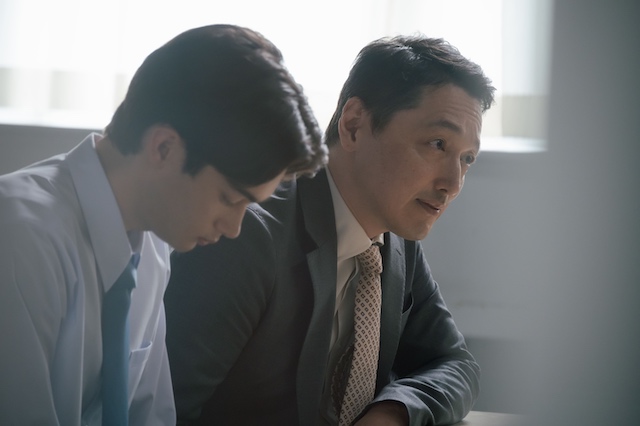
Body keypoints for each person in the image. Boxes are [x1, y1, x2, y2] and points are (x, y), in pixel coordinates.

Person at [0, 24, 326, 425]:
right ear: (164, 147)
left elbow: (151, 415)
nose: (234, 228)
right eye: (230, 198)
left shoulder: (153, 246)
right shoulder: (18, 238)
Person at [164, 34, 495, 425]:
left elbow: (455, 364)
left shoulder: (396, 240)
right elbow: (168, 412)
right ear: (354, 125)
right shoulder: (245, 236)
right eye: (437, 143)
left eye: (467, 158)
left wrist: (393, 413)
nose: (453, 184)